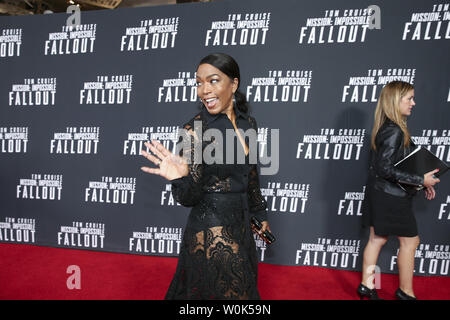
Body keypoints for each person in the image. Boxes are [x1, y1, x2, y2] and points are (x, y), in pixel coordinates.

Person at [140, 53, 271, 299]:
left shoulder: (248, 123)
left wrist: (259, 213)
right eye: (199, 83)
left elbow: (251, 174)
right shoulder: (194, 130)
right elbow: (189, 196)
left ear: (233, 84)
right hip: (211, 227)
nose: (204, 90)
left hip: (241, 224)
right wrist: (178, 177)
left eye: (213, 81)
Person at [358, 81, 440, 300]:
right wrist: (420, 179)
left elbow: (398, 165)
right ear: (396, 101)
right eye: (409, 99)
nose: (414, 103)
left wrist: (421, 183)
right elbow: (384, 168)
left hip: (382, 193)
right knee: (410, 242)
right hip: (391, 197)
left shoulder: (388, 126)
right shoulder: (394, 130)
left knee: (377, 239)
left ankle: (367, 286)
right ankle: (406, 292)